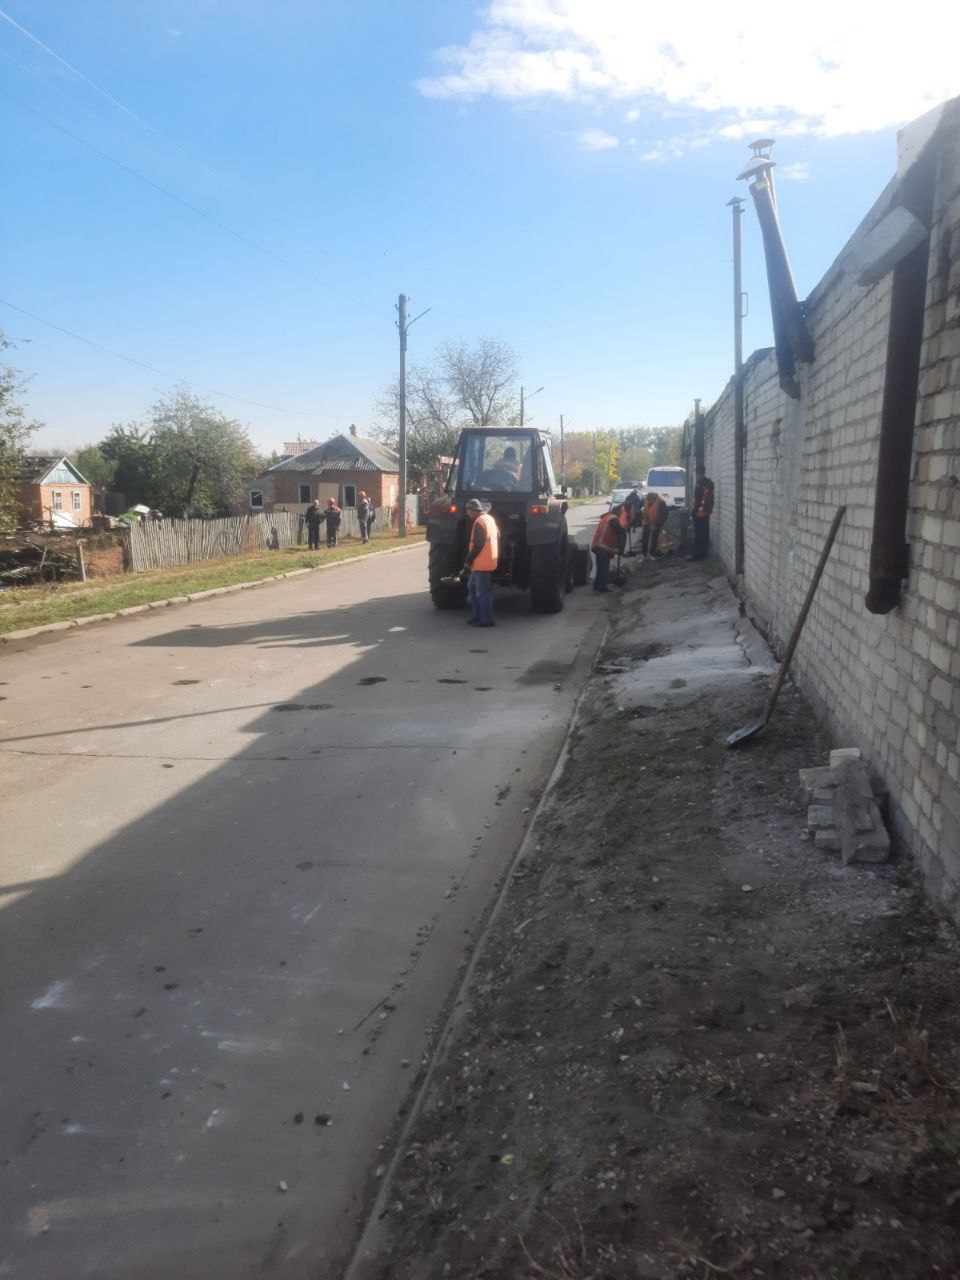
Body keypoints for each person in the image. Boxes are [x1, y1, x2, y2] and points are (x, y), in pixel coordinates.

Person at [464, 497, 499, 627]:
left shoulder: (479, 522)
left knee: (483, 592)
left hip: (481, 563)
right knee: (472, 587)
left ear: (473, 510)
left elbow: (478, 544)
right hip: (484, 561)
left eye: (468, 510)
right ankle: (478, 616)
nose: (467, 513)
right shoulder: (489, 519)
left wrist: (468, 560)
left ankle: (487, 620)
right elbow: (498, 535)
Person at [591, 504, 626, 592]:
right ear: (618, 513)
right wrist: (620, 549)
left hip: (597, 544)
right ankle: (603, 587)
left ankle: (597, 585)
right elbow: (620, 533)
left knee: (600, 567)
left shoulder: (606, 517)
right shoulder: (613, 519)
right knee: (604, 568)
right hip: (603, 546)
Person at [689, 470, 715, 560]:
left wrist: (693, 513)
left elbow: (697, 501)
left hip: (699, 514)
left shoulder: (699, 485)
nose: (696, 476)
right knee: (705, 533)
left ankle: (697, 554)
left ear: (699, 474)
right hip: (706, 512)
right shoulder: (709, 484)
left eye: (697, 474)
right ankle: (704, 553)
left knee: (698, 534)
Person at [640, 491, 668, 560]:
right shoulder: (646, 499)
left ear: (654, 499)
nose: (649, 502)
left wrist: (659, 523)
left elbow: (664, 514)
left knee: (654, 538)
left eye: (650, 501)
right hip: (647, 522)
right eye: (648, 501)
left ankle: (652, 553)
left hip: (656, 523)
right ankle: (644, 554)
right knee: (645, 538)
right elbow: (644, 509)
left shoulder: (661, 502)